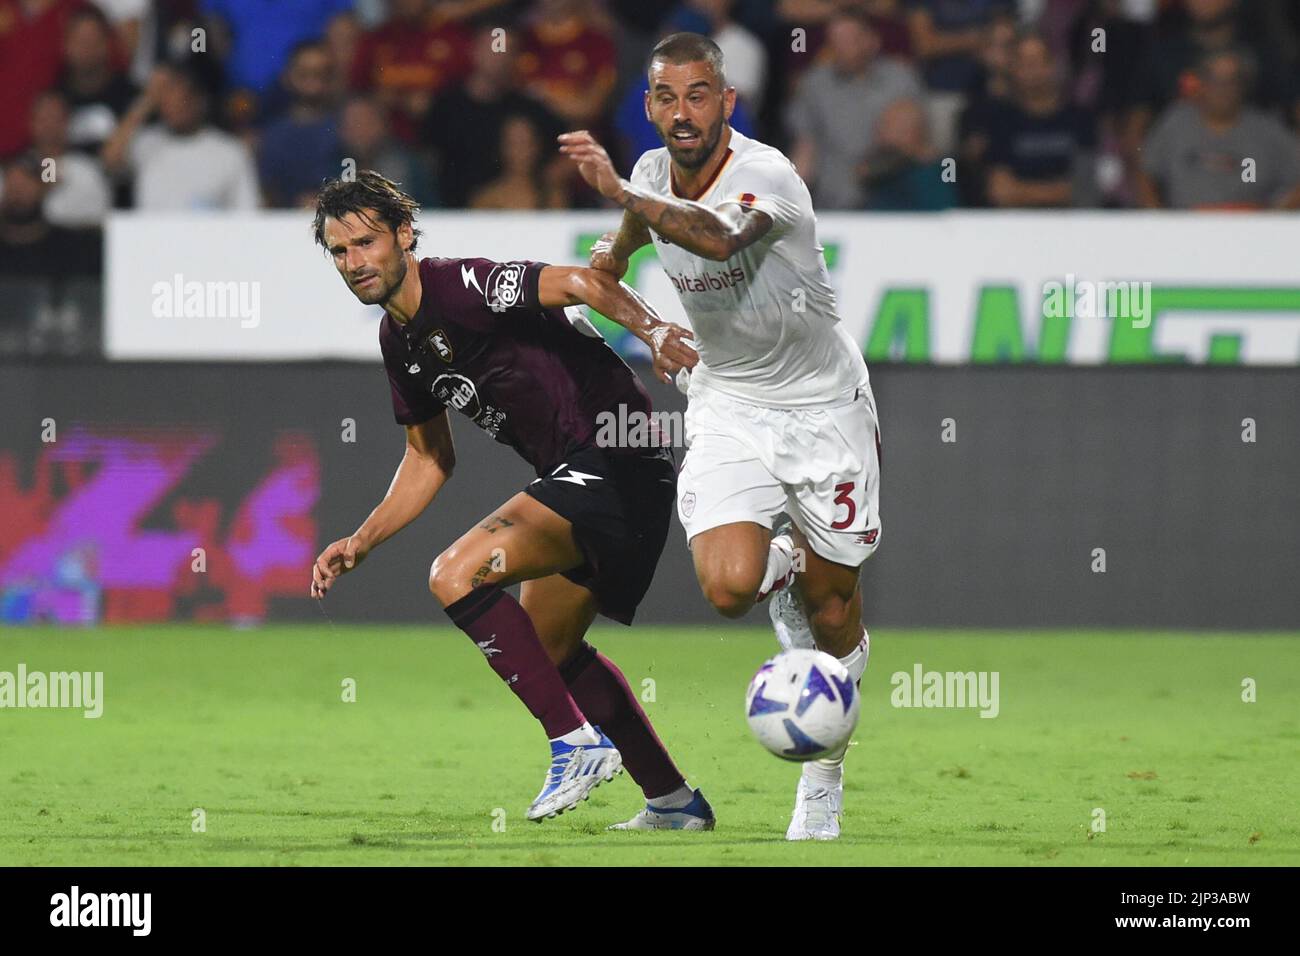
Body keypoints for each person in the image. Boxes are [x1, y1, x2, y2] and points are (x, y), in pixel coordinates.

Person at [308, 170, 714, 828]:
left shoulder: (458, 286)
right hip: (588, 474)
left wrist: (656, 330)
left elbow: (581, 282)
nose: (354, 263)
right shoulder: (399, 341)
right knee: (550, 652)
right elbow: (428, 457)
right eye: (339, 251)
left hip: (616, 456)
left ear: (404, 235)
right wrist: (361, 541)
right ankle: (673, 801)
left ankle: (573, 745)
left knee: (454, 573)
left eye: (365, 243)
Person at [560, 32, 880, 841]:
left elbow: (717, 237)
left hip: (822, 408)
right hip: (729, 401)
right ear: (649, 107)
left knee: (834, 606)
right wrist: (640, 311)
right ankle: (778, 564)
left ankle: (824, 771)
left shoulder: (766, 174)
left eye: (698, 94)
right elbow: (615, 259)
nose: (682, 112)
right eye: (666, 97)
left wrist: (621, 199)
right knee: (730, 589)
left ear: (726, 102)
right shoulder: (645, 177)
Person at [785, 8, 923, 210]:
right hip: (833, 200)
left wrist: (874, 169)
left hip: (894, 196)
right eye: (835, 40)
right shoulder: (814, 84)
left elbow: (917, 143)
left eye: (849, 39)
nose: (841, 47)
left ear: (872, 41)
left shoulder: (900, 80)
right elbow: (805, 148)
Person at [1137, 48, 1300, 210]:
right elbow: (1145, 174)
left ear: (1244, 85)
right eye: (1214, 80)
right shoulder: (1176, 122)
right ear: (1201, 82)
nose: (1222, 89)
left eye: (1231, 81)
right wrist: (1158, 219)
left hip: (1249, 229)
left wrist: (1275, 220)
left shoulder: (1267, 129)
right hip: (1186, 228)